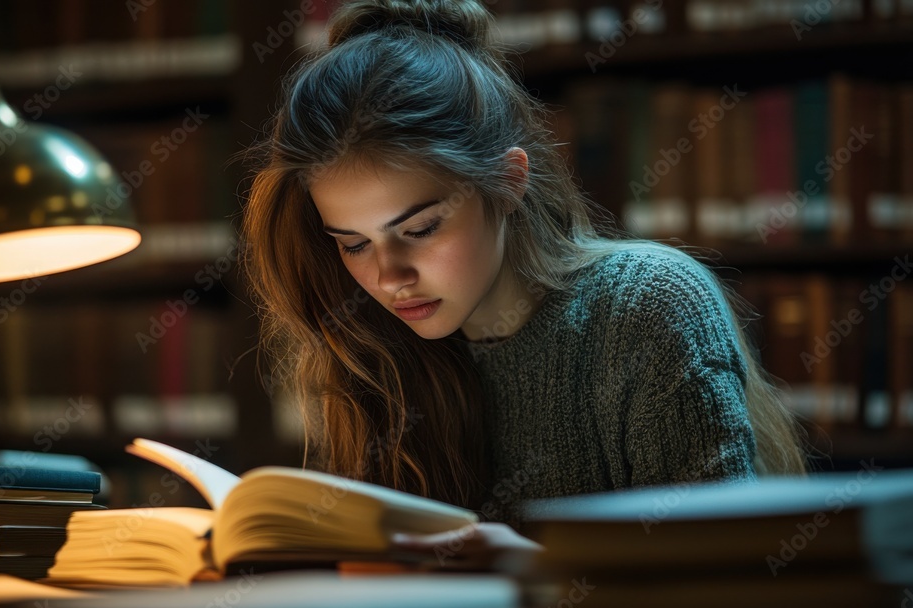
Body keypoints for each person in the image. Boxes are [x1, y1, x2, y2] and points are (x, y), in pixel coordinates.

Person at [241, 0, 808, 557]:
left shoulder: (647, 305)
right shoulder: (372, 349)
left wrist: (530, 570)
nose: (389, 278)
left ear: (509, 181)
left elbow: (720, 577)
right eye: (354, 244)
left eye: (420, 229)